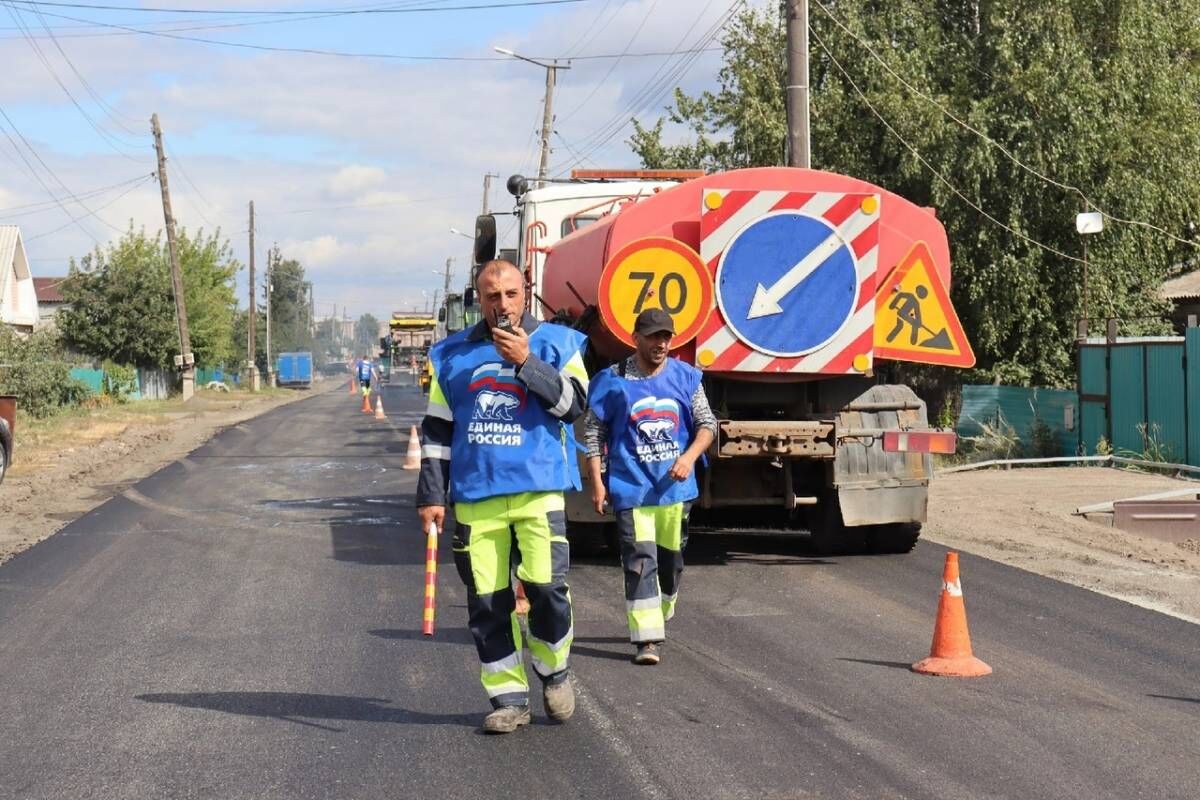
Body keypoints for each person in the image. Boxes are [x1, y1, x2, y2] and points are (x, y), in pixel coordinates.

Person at [417, 259, 589, 734]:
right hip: (477, 495)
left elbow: (573, 407)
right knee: (488, 601)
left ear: (525, 292)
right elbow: (436, 431)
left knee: (547, 590)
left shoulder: (559, 343)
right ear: (479, 299)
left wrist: (526, 363)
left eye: (510, 293)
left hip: (539, 492)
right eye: (492, 296)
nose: (502, 304)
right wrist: (431, 493)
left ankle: (555, 672)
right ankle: (509, 699)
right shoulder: (451, 355)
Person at [584, 308, 716, 665]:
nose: (660, 344)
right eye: (653, 336)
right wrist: (597, 481)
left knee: (671, 564)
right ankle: (647, 639)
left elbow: (707, 425)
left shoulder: (687, 378)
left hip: (675, 490)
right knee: (640, 561)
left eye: (666, 337)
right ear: (635, 338)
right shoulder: (611, 381)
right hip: (631, 488)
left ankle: (665, 601)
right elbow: (594, 433)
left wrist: (688, 458)